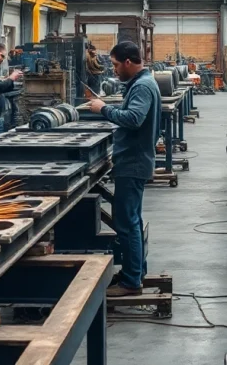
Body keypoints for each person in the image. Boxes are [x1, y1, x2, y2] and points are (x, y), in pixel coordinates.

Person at [87, 41, 160, 297]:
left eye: (117, 65)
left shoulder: (141, 86)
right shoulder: (142, 83)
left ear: (128, 62)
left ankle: (131, 282)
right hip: (133, 161)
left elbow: (133, 119)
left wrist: (103, 109)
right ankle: (134, 272)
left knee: (126, 223)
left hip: (133, 163)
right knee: (131, 221)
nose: (115, 70)